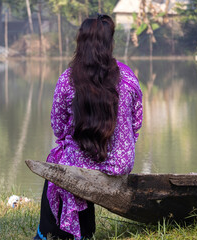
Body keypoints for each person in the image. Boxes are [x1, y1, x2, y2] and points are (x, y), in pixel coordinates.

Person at [34, 14, 143, 240]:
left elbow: (57, 125)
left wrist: (75, 141)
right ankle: (82, 229)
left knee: (57, 157)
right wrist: (122, 144)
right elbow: (136, 122)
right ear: (109, 43)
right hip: (121, 162)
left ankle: (50, 233)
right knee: (71, 157)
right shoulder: (128, 77)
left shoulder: (68, 79)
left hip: (84, 161)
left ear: (80, 42)